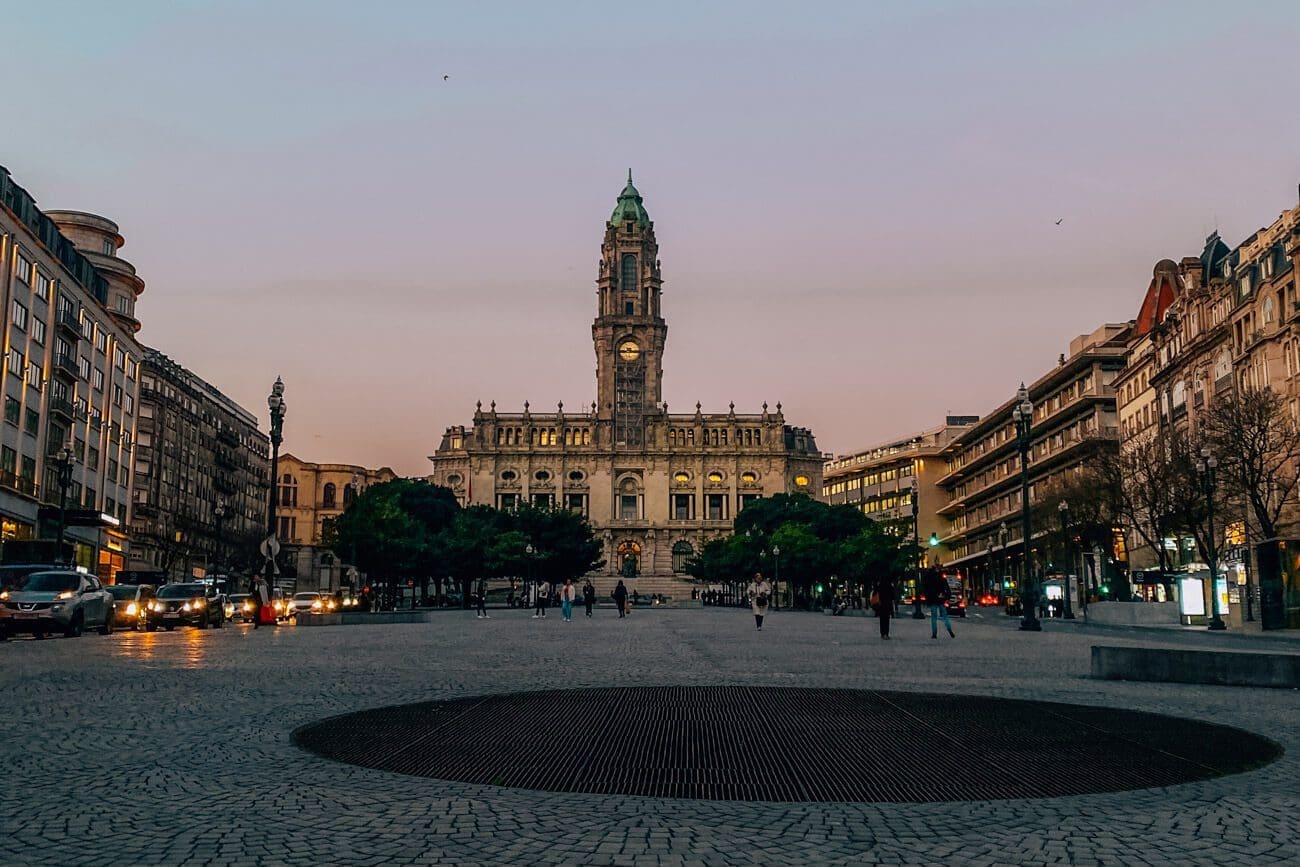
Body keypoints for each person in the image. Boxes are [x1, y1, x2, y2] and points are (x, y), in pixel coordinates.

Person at [923, 568, 955, 639]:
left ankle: (934, 633)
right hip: (941, 599)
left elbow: (926, 590)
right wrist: (946, 596)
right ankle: (949, 628)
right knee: (945, 616)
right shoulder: (942, 579)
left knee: (934, 617)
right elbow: (947, 589)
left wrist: (928, 599)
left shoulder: (929, 579)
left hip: (933, 600)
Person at [872, 576, 897, 640]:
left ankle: (882, 633)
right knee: (887, 619)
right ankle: (886, 633)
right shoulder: (889, 586)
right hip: (888, 604)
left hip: (881, 604)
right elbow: (893, 596)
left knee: (882, 619)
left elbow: (874, 593)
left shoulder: (879, 586)